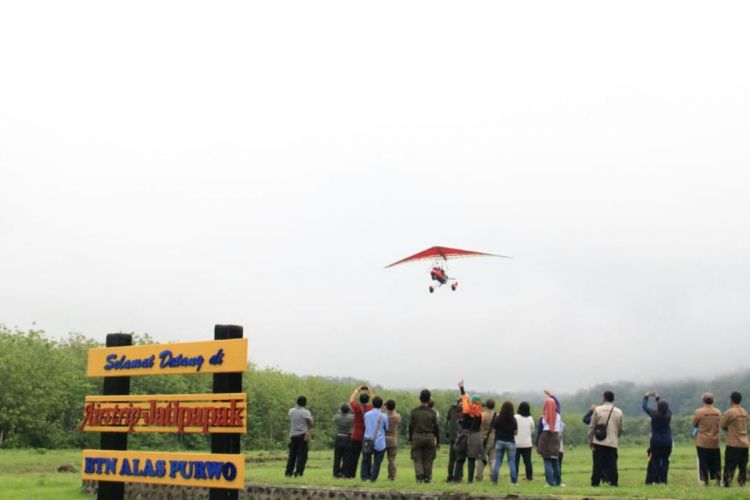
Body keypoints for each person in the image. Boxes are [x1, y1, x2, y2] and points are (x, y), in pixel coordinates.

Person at [451, 380, 484, 483]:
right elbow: (480, 425)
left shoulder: (466, 409)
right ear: (479, 403)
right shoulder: (480, 414)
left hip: (464, 435)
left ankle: (456, 479)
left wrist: (461, 387)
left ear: (471, 401)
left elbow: (464, 398)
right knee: (471, 459)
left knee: (460, 458)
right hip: (475, 437)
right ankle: (470, 480)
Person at [589, 391, 624, 487]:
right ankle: (614, 483)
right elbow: (620, 429)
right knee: (612, 464)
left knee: (597, 464)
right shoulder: (619, 412)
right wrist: (615, 438)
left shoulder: (597, 410)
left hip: (599, 442)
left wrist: (591, 440)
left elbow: (592, 426)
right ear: (613, 399)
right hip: (612, 442)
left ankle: (595, 484)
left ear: (604, 398)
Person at [409, 389, 441, 483]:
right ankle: (427, 478)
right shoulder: (432, 413)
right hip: (429, 438)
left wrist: (410, 439)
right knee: (429, 459)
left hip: (417, 437)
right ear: (429, 399)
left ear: (420, 398)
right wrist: (438, 441)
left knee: (417, 458)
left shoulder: (414, 412)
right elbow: (436, 428)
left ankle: (419, 478)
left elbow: (411, 427)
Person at [642, 391, 672, 484]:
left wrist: (646, 397)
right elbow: (665, 408)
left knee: (655, 460)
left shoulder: (654, 414)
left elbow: (644, 407)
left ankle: (656, 479)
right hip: (667, 441)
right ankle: (663, 480)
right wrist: (658, 398)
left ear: (658, 407)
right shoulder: (669, 414)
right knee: (665, 461)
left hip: (656, 441)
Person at [720, 391, 748, 487]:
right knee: (742, 465)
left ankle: (727, 483)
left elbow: (722, 424)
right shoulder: (744, 411)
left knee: (730, 464)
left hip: (733, 443)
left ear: (731, 400)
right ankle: (742, 483)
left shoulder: (730, 412)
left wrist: (729, 429)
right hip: (745, 443)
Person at [693, 392, 722, 486]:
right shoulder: (718, 412)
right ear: (712, 401)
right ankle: (717, 479)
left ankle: (705, 480)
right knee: (716, 462)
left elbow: (694, 424)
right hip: (715, 441)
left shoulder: (698, 412)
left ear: (703, 400)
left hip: (702, 441)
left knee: (703, 461)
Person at [347, 385, 374, 478]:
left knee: (353, 456)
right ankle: (367, 474)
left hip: (356, 435)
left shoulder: (357, 407)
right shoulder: (371, 408)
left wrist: (356, 390)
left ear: (360, 400)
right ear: (368, 400)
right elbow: (378, 404)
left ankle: (351, 474)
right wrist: (370, 392)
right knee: (367, 456)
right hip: (367, 436)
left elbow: (351, 400)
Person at [361, 396, 388, 481]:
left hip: (368, 440)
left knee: (366, 459)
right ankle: (373, 478)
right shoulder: (383, 416)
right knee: (377, 461)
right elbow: (386, 428)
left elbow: (366, 426)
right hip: (379, 441)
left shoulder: (367, 414)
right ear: (381, 405)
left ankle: (364, 477)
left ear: (372, 404)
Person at [536, 396, 562, 487]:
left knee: (547, 461)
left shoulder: (543, 417)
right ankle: (558, 482)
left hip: (545, 437)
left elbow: (539, 430)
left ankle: (550, 483)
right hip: (555, 437)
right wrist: (552, 395)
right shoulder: (558, 415)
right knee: (555, 460)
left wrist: (536, 443)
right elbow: (558, 404)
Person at [285, 395, 313, 477]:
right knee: (301, 455)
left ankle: (288, 472)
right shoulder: (306, 412)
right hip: (302, 435)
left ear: (297, 402)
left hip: (293, 435)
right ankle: (298, 472)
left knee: (292, 455)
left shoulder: (291, 411)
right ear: (305, 403)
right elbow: (310, 424)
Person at [491, 401, 518, 485]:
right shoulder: (513, 419)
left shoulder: (498, 418)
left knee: (498, 461)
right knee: (511, 462)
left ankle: (494, 481)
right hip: (510, 442)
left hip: (499, 441)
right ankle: (513, 482)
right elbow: (516, 433)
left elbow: (494, 428)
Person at [475, 399, 496, 482]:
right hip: (494, 439)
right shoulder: (496, 415)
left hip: (483, 440)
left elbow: (478, 425)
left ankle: (479, 476)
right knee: (493, 459)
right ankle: (493, 476)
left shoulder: (482, 415)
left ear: (486, 406)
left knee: (480, 459)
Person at [514, 401, 535, 481]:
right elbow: (533, 430)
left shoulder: (515, 417)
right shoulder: (530, 418)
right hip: (527, 443)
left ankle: (514, 477)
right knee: (527, 462)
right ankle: (529, 477)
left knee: (516, 461)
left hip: (516, 443)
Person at [332, 403, 354, 478]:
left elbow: (333, 418)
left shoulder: (337, 417)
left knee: (337, 456)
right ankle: (344, 472)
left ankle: (336, 473)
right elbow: (354, 413)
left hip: (338, 436)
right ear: (348, 410)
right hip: (347, 437)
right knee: (346, 456)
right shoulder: (351, 418)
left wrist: (340, 410)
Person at [445, 399, 462, 482]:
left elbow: (448, 419)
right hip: (462, 438)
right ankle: (458, 477)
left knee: (451, 458)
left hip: (452, 437)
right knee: (460, 458)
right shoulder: (465, 410)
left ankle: (450, 476)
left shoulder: (452, 409)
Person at [384, 399, 401, 481]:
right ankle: (392, 476)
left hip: (383, 439)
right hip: (393, 440)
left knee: (378, 459)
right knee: (392, 459)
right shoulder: (397, 417)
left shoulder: (383, 416)